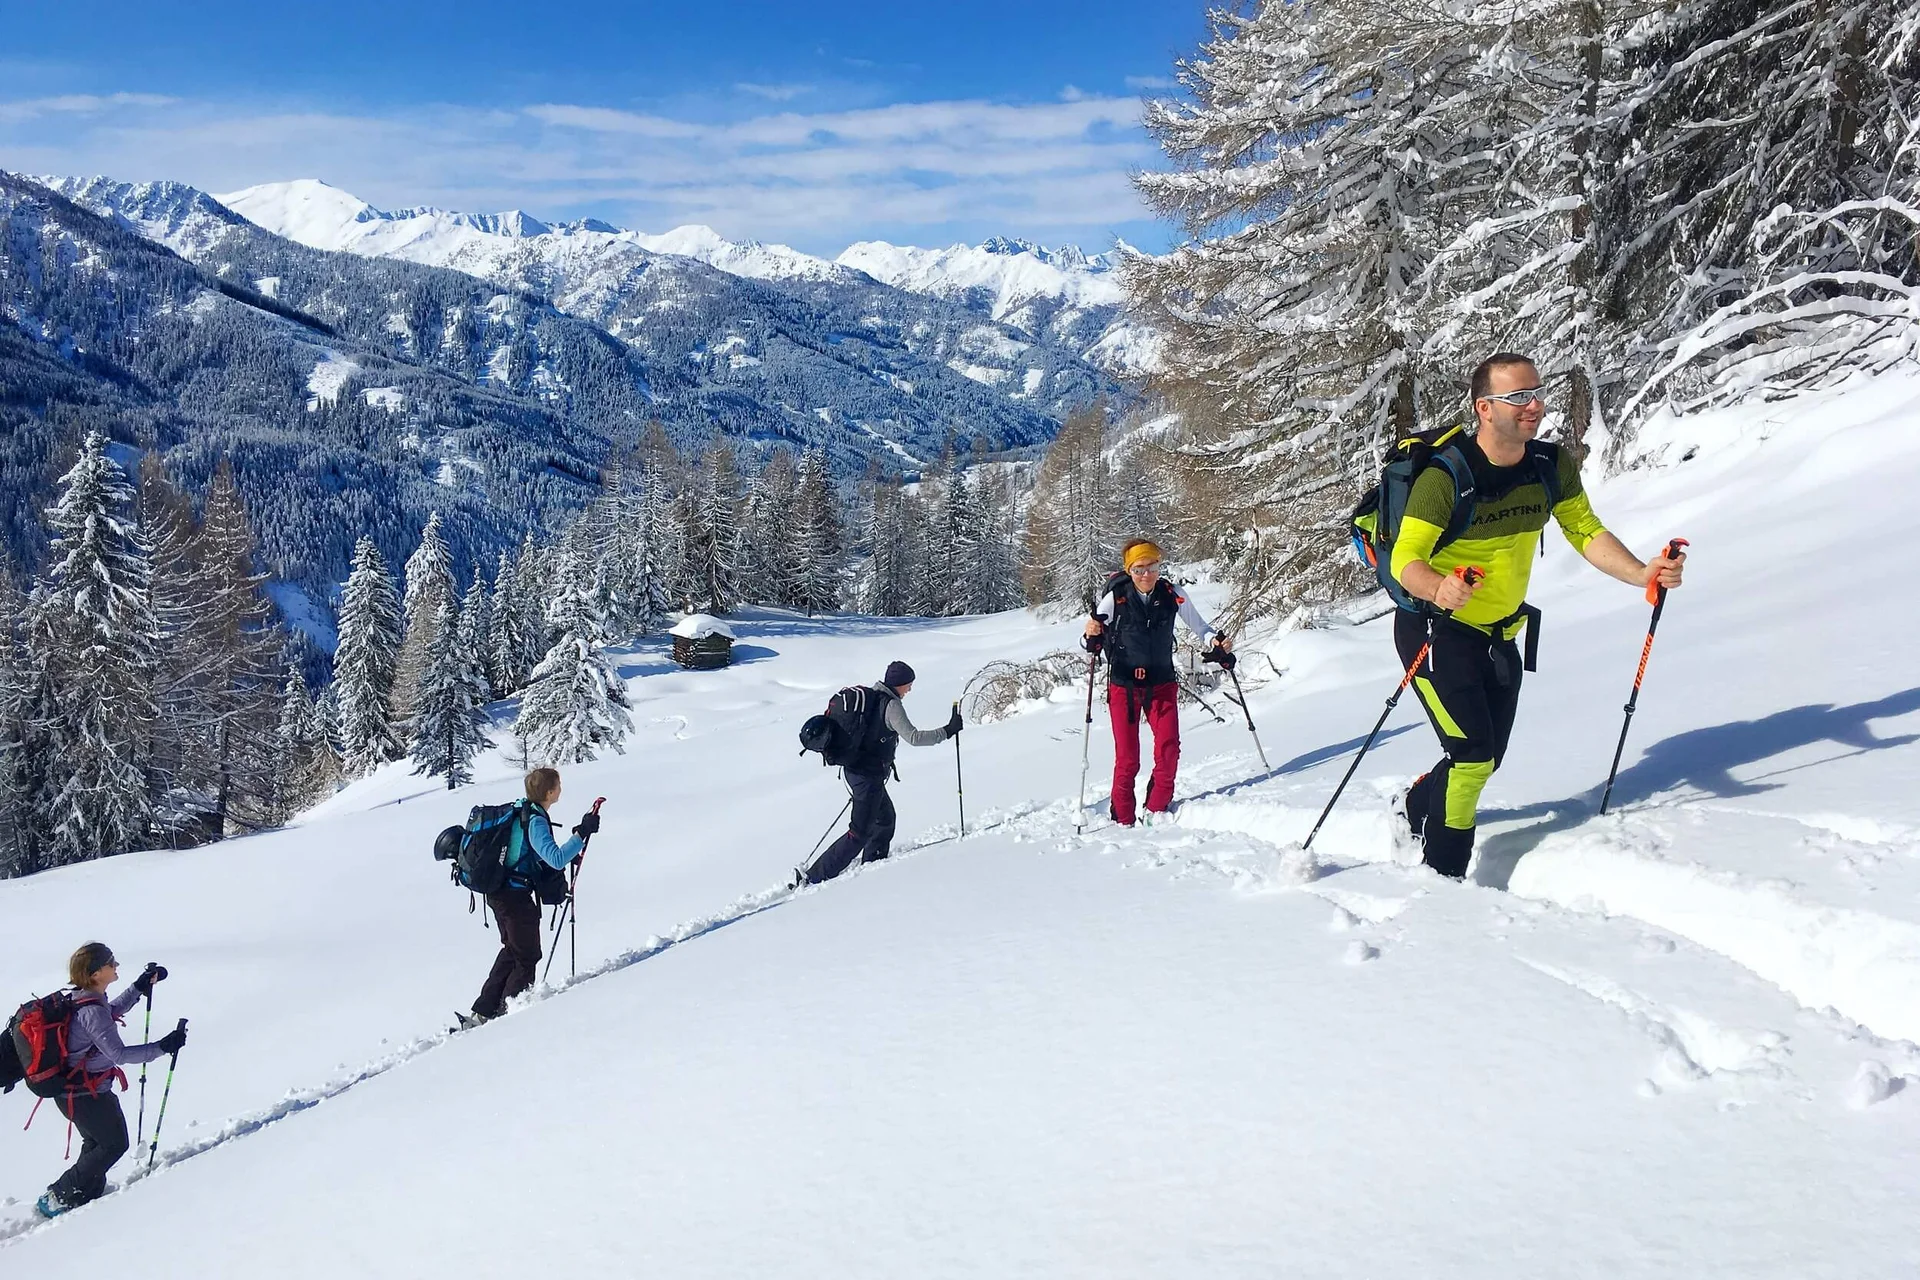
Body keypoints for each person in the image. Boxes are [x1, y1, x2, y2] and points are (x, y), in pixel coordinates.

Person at [1391, 352, 1686, 877]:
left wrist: (1642, 573)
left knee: (1485, 757)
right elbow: (1405, 557)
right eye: (1518, 397)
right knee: (1474, 760)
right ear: (1484, 408)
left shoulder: (1549, 467)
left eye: (1537, 392)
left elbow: (1585, 530)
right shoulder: (1447, 476)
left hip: (1501, 634)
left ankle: (1415, 805)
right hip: (1436, 631)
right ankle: (1444, 878)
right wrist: (1438, 587)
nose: (1535, 405)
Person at [1082, 541, 1232, 826]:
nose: (1146, 574)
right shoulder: (1116, 598)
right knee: (1128, 760)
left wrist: (1215, 642)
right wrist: (1091, 635)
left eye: (1151, 567)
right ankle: (1122, 820)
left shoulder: (1172, 593)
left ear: (1159, 567)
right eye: (1139, 569)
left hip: (1161, 683)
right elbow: (1090, 637)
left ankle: (1156, 810)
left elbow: (1199, 626)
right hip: (1124, 686)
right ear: (1130, 570)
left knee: (1169, 749)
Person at [36, 943, 185, 1218]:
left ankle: (84, 1194)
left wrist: (139, 987)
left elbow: (111, 1011)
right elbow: (117, 1053)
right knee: (113, 1145)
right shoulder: (91, 1009)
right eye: (111, 963)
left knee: (97, 1145)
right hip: (85, 1095)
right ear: (95, 973)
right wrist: (163, 1047)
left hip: (76, 1093)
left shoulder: (85, 999)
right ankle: (57, 1195)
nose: (116, 966)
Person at [799, 661, 961, 885]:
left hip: (858, 772)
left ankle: (873, 867)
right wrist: (948, 730)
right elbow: (914, 738)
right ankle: (814, 878)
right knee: (859, 833)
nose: (910, 689)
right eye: (908, 685)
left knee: (884, 819)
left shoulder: (871, 697)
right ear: (899, 683)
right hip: (866, 777)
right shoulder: (891, 706)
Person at [463, 767, 600, 1026]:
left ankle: (485, 1010)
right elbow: (556, 859)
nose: (561, 789)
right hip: (514, 896)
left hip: (500, 893)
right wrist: (582, 834)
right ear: (549, 792)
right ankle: (509, 1015)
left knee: (513, 950)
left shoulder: (521, 810)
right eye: (558, 785)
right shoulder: (535, 820)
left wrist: (577, 834)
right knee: (527, 956)